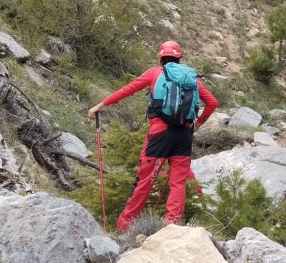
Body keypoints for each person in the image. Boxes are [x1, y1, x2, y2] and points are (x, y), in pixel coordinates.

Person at [88, 40, 218, 231]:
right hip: (184, 135)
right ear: (179, 58)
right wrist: (196, 126)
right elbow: (212, 103)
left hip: (160, 134)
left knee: (144, 181)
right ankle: (171, 224)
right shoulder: (191, 79)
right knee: (178, 182)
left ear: (160, 57)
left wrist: (100, 105)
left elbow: (128, 90)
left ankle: (124, 227)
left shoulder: (154, 73)